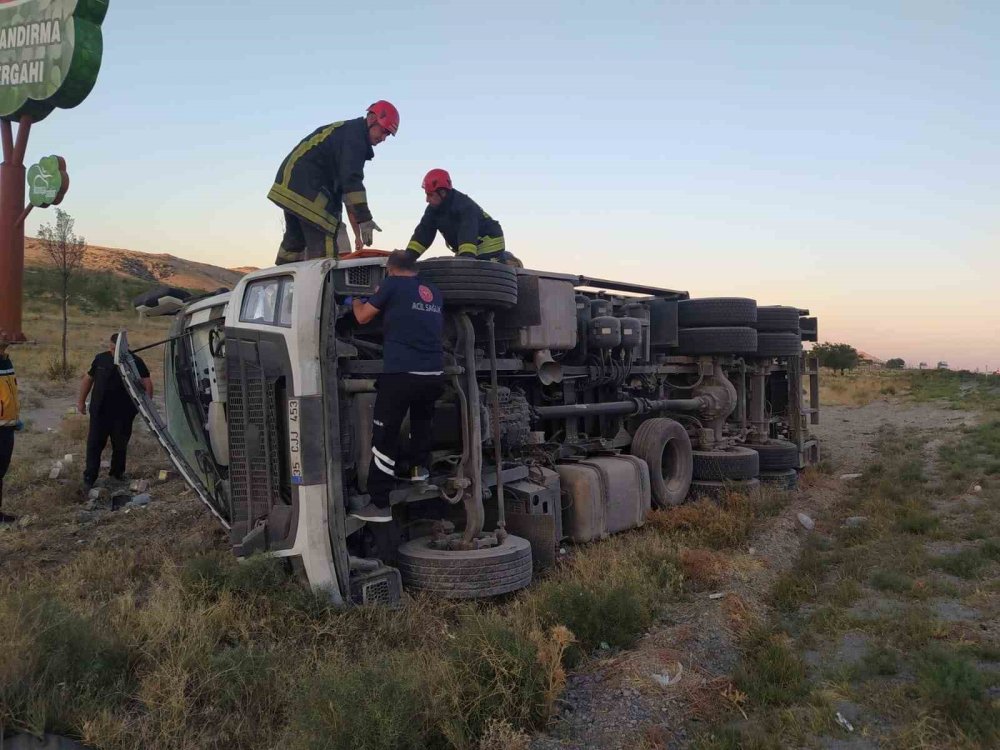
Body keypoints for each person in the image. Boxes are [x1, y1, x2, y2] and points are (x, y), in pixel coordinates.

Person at [349, 250, 444, 522]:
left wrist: (355, 300)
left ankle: (379, 504)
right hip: (433, 374)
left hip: (402, 374)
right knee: (421, 424)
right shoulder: (433, 291)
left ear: (390, 269)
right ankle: (419, 473)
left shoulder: (391, 284)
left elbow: (363, 317)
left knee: (384, 435)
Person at [268, 100, 399, 265]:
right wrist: (365, 218)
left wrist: (358, 227)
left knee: (294, 242)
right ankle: (323, 281)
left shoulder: (346, 133)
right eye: (383, 131)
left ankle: (283, 275)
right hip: (309, 187)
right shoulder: (355, 138)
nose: (384, 138)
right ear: (372, 119)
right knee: (325, 243)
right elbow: (352, 181)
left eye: (388, 135)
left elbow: (347, 193)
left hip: (291, 185)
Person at [77, 333, 153, 491]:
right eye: (111, 349)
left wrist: (146, 407)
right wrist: (81, 402)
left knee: (120, 445)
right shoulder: (101, 359)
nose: (113, 352)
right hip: (100, 411)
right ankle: (90, 477)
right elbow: (88, 379)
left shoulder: (135, 361)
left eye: (116, 349)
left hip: (123, 413)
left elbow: (147, 383)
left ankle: (117, 475)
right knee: (94, 444)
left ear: (124, 348)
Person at [403, 168, 522, 266]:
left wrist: (465, 260)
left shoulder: (464, 206)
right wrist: (406, 259)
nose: (426, 199)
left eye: (430, 195)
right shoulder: (433, 210)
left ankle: (509, 263)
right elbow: (422, 234)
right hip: (469, 245)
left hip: (489, 242)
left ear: (442, 192)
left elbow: (467, 233)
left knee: (480, 272)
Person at [0, 330, 23, 524]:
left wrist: (13, 417)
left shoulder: (6, 361)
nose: (5, 335)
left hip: (7, 426)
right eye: (1, 333)